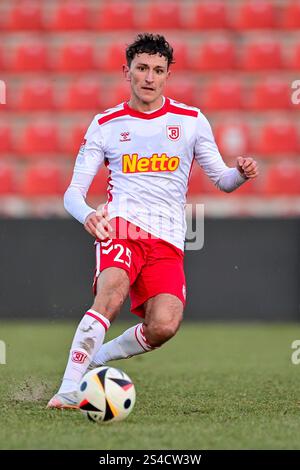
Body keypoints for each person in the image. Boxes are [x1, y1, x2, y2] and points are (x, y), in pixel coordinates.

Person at [47, 33, 258, 409]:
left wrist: (239, 173)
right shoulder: (106, 124)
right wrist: (89, 216)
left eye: (158, 70)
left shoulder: (191, 121)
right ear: (126, 71)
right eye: (142, 68)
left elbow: (223, 181)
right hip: (122, 228)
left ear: (167, 76)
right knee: (110, 293)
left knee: (164, 325)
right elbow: (72, 194)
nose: (149, 77)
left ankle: (97, 358)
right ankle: (66, 388)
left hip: (169, 239)